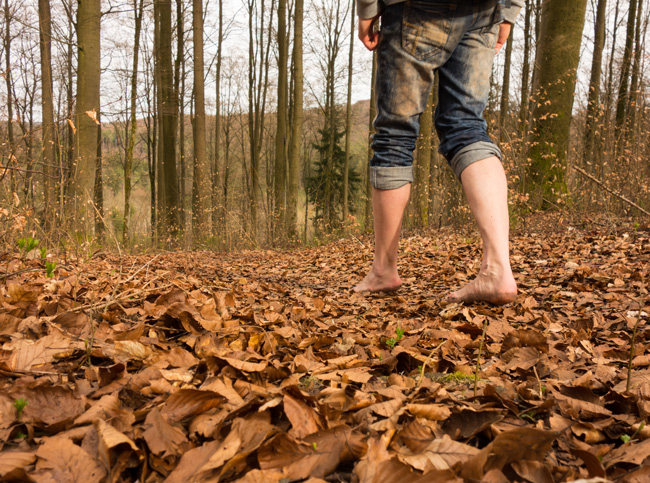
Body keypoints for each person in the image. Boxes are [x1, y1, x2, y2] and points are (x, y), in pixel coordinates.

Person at [354, 0, 522, 305]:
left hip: (414, 8)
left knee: (395, 135)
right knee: (468, 127)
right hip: (483, 10)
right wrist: (509, 11)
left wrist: (366, 9)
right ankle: (498, 268)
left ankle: (383, 270)